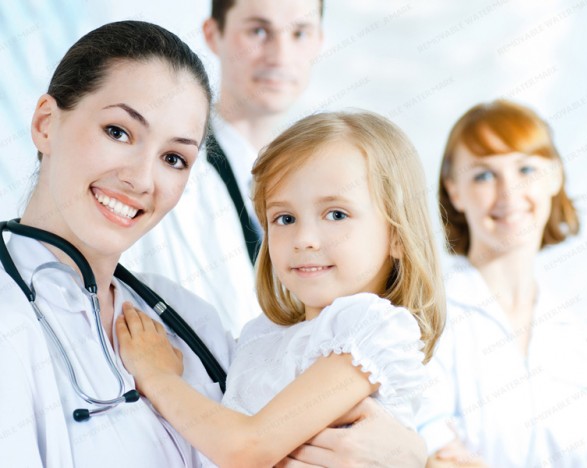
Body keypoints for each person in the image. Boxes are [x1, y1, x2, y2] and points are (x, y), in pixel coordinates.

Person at [0, 20, 427, 468]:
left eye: (174, 158)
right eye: (118, 132)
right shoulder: (11, 318)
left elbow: (260, 435)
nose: (142, 179)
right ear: (45, 123)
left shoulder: (184, 319)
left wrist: (411, 456)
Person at [117, 110, 445, 467]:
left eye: (336, 214)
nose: (304, 239)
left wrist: (158, 376)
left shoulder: (369, 328)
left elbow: (247, 448)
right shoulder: (263, 336)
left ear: (397, 236)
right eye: (284, 218)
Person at [416, 100, 587, 467]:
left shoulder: (580, 333)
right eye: (484, 175)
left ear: (554, 177)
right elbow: (429, 448)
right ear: (455, 191)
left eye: (526, 169)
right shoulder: (425, 316)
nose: (509, 193)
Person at [122, 0, 324, 336]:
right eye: (258, 31)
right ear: (213, 34)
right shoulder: (165, 174)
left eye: (300, 33)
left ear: (319, 41)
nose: (280, 55)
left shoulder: (325, 181)